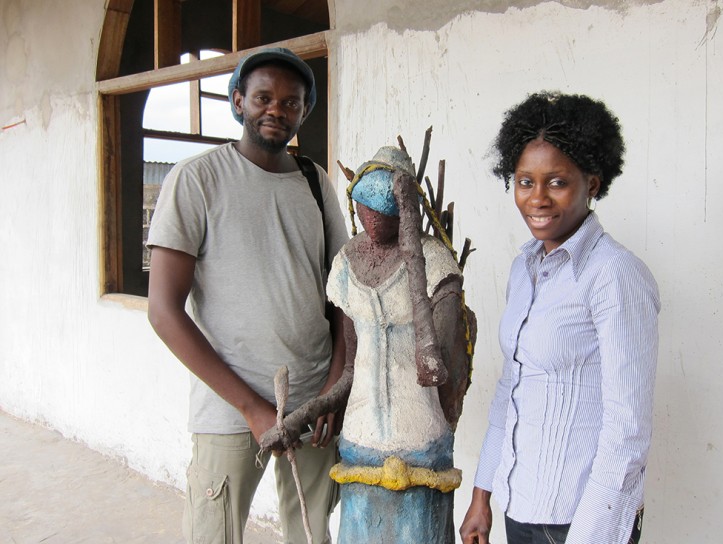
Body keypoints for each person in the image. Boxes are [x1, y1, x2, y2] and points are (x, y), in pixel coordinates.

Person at [146, 47, 349, 544]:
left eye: (291, 102)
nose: (276, 109)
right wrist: (252, 409)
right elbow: (163, 311)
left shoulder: (314, 183)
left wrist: (335, 388)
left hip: (313, 404)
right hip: (228, 406)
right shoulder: (196, 180)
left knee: (311, 531)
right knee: (215, 533)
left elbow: (346, 297)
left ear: (304, 112)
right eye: (263, 97)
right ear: (238, 101)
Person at [459, 91, 660, 544]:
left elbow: (628, 426)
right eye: (525, 181)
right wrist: (482, 492)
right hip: (522, 501)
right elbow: (511, 386)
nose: (537, 198)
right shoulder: (524, 268)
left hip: (580, 517)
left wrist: (590, 534)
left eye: (557, 182)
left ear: (592, 182)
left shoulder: (614, 275)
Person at [261, 146, 474, 543]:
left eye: (389, 210)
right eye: (365, 208)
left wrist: (413, 250)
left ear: (409, 207)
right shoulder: (345, 264)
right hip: (360, 442)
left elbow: (435, 371)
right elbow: (349, 372)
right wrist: (299, 417)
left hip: (420, 444)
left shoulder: (436, 264)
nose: (373, 220)